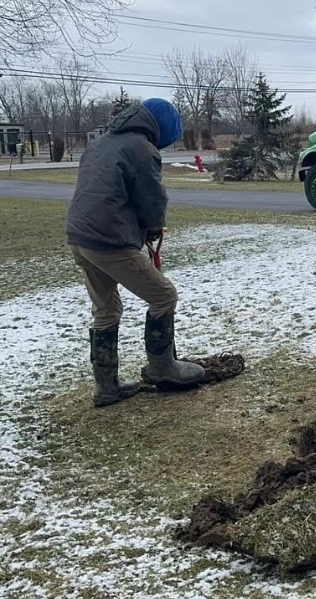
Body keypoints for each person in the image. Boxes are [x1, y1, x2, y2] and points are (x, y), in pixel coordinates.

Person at [66, 98, 208, 407]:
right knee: (163, 295)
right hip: (108, 240)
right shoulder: (143, 149)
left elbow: (107, 191)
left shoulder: (102, 142)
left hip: (79, 237)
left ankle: (106, 387)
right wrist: (154, 227)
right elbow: (151, 199)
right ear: (161, 130)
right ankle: (162, 368)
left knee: (106, 309)